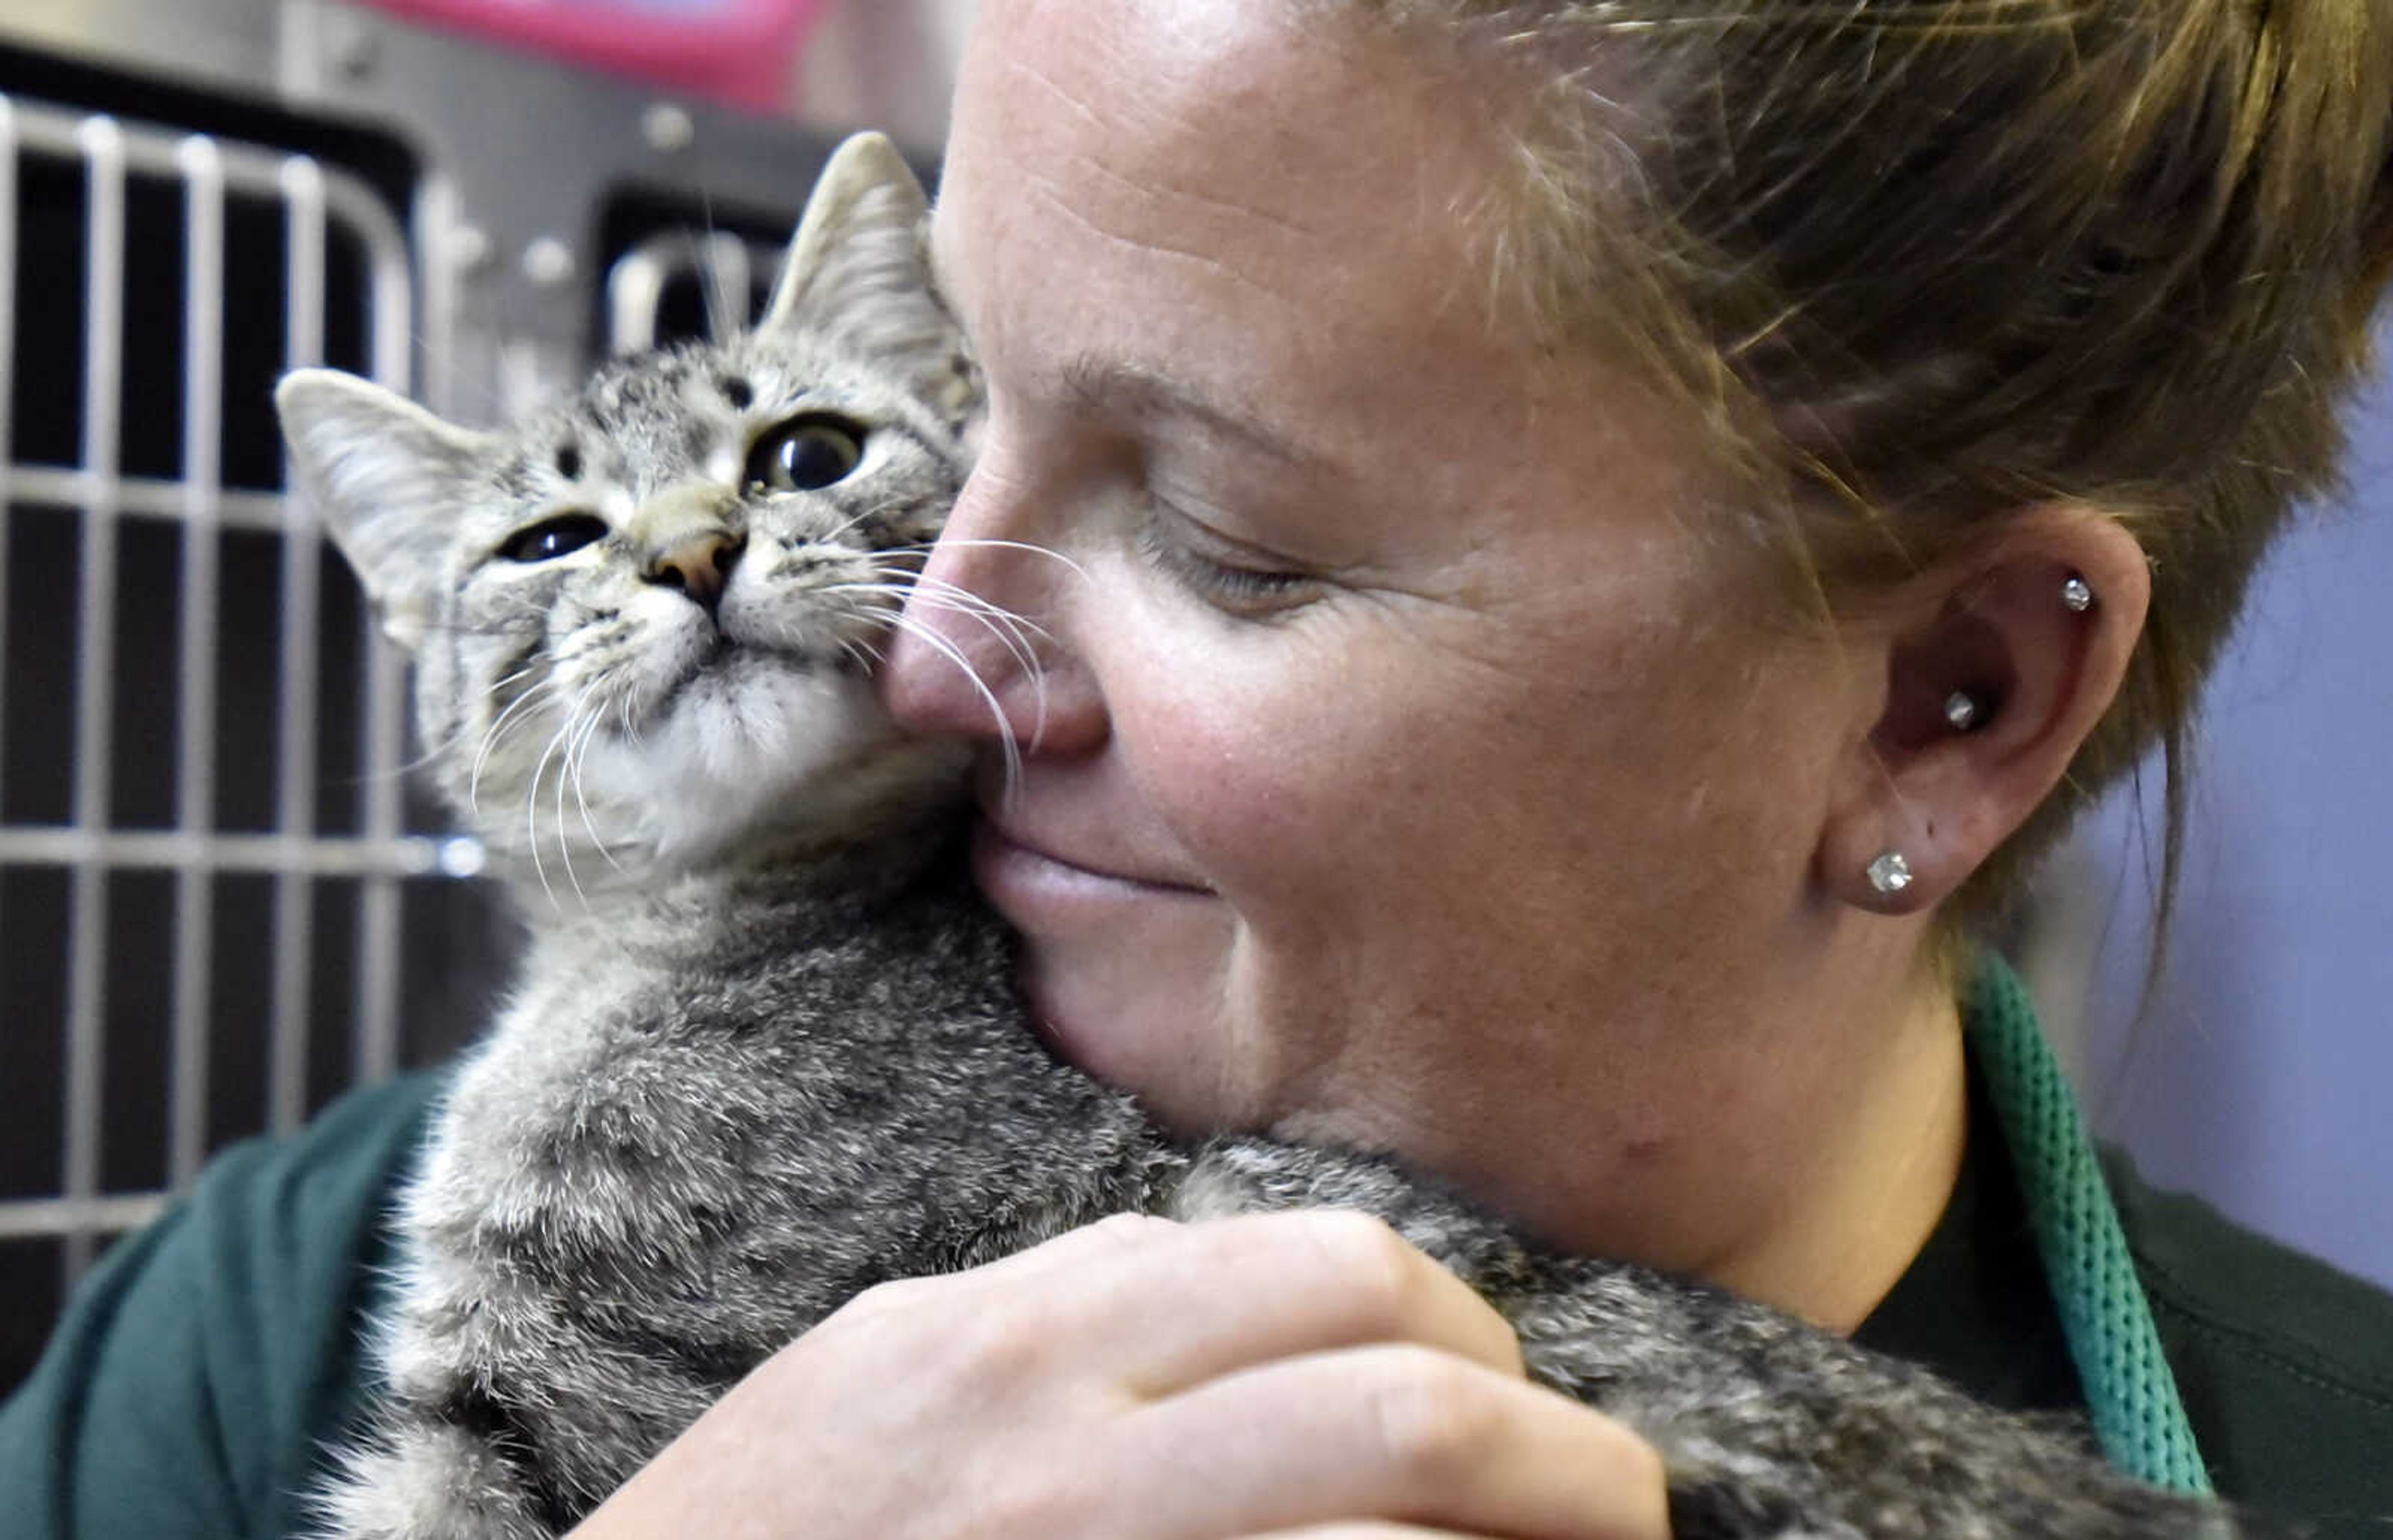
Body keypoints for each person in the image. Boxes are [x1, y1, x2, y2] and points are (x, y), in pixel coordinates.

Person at [8, 1, 2393, 1536]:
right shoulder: (270, 1318)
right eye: (986, 415)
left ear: (1943, 702)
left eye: (1229, 536)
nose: (935, 654)